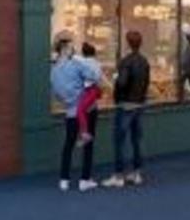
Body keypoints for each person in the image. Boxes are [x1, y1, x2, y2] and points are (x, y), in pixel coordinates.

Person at [50, 33, 101, 193]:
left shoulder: (53, 70)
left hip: (70, 111)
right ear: (65, 47)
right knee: (88, 144)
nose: (74, 48)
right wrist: (82, 62)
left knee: (68, 144)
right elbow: (94, 76)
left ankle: (64, 179)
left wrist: (68, 101)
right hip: (87, 109)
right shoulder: (75, 64)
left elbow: (56, 94)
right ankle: (85, 180)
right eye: (72, 45)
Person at [102, 30, 151, 189]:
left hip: (125, 105)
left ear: (127, 43)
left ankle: (118, 176)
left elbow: (122, 83)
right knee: (136, 140)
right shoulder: (144, 61)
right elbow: (146, 83)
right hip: (139, 105)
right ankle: (136, 173)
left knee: (119, 142)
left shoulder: (125, 62)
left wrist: (115, 81)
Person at [74, 42, 102, 146]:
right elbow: (99, 81)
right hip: (93, 104)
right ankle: (85, 136)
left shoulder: (82, 62)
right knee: (91, 143)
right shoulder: (97, 64)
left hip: (86, 94)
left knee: (80, 111)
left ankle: (83, 134)